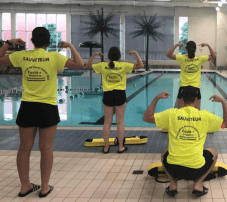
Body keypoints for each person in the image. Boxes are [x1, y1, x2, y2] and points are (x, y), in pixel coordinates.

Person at [0, 27, 84, 197]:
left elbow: (0, 58)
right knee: (46, 148)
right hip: (47, 107)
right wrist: (70, 46)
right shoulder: (53, 57)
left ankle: (25, 186)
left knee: (24, 148)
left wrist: (9, 43)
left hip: (27, 107)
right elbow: (80, 64)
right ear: (48, 42)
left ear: (32, 40)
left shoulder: (23, 56)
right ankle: (44, 187)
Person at [142, 87, 227, 197]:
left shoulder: (171, 114)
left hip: (174, 169)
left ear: (181, 99)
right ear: (196, 100)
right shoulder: (205, 117)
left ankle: (173, 184)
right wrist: (223, 102)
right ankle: (198, 184)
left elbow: (147, 118)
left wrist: (156, 98)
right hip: (197, 169)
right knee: (213, 151)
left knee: (164, 152)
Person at [87, 47, 144, 153]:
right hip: (120, 94)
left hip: (108, 94)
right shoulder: (123, 65)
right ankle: (121, 147)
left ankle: (106, 147)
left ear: (108, 56)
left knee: (107, 122)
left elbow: (88, 66)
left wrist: (94, 55)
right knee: (120, 122)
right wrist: (136, 52)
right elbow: (140, 65)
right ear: (119, 56)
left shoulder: (103, 65)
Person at [166, 41, 216, 110]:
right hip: (195, 88)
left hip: (183, 88)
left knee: (180, 113)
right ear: (195, 49)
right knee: (196, 113)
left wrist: (176, 45)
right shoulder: (200, 59)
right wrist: (208, 45)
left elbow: (168, 54)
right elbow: (214, 56)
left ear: (186, 49)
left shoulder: (182, 58)